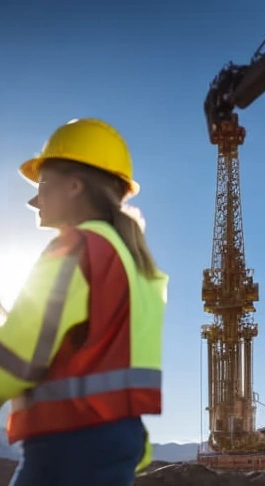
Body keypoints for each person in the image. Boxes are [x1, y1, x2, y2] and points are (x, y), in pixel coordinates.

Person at [0, 118, 169, 486]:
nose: (33, 199)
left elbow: (17, 357)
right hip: (116, 440)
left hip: (67, 443)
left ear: (74, 186)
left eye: (43, 184)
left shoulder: (75, 249)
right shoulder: (134, 264)